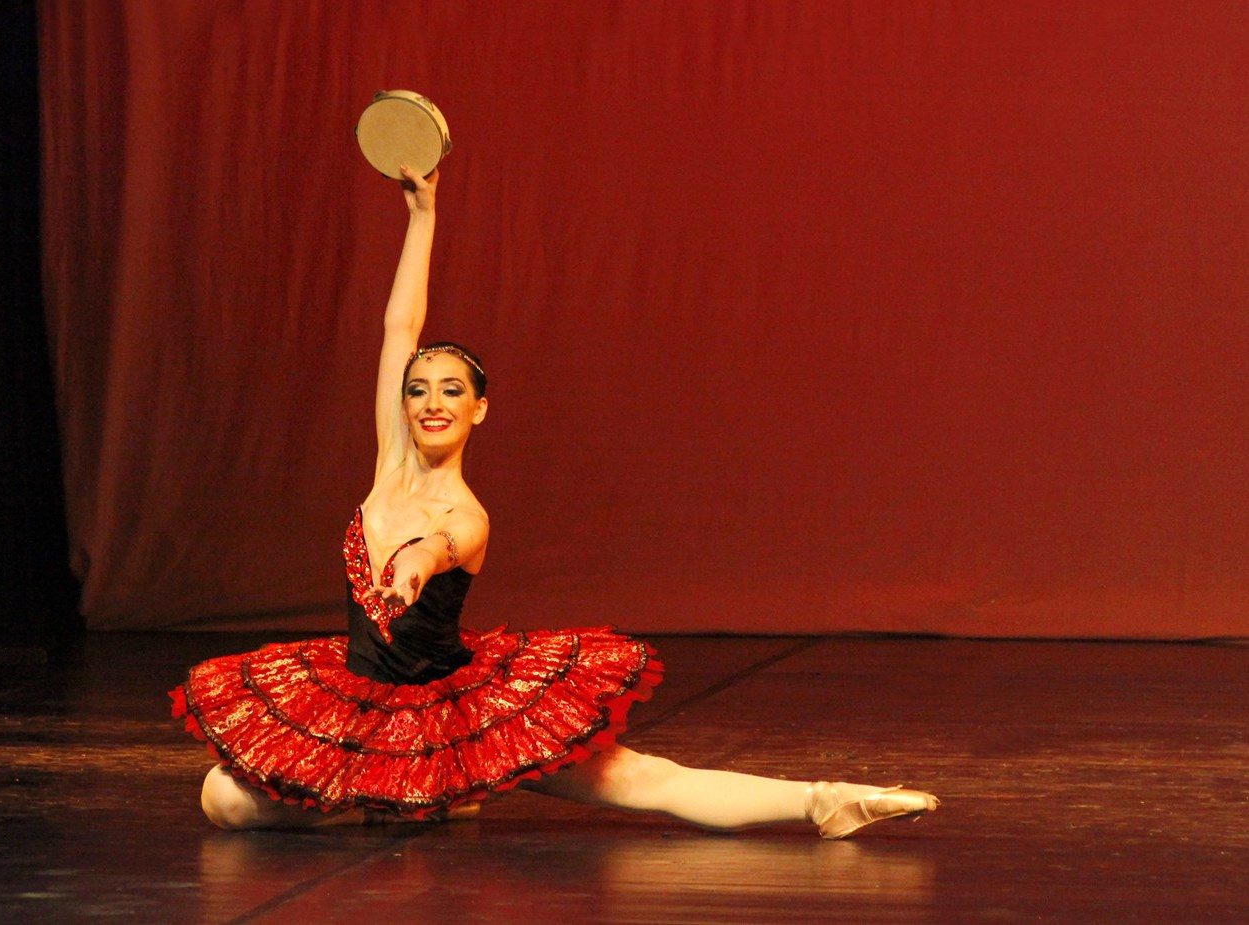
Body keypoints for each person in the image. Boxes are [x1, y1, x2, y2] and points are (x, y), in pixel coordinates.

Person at [171, 166, 939, 839]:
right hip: (362, 706)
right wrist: (423, 214)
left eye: (451, 390)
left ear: (478, 409)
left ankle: (824, 800)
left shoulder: (465, 514)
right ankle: (412, 795)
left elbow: (437, 546)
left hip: (459, 714)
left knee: (637, 780)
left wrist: (414, 566)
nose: (431, 402)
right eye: (418, 389)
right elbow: (398, 324)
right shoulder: (389, 464)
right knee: (223, 800)